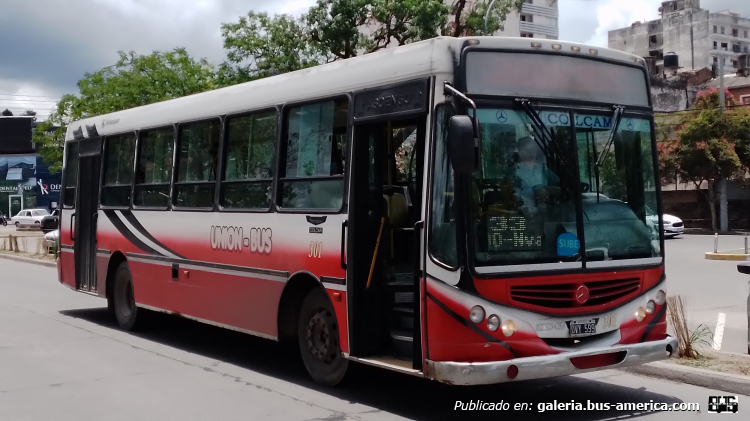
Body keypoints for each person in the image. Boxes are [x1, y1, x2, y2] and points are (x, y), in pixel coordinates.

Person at [514, 136, 559, 215]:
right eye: (528, 149)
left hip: (546, 213)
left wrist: (547, 192)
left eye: (534, 149)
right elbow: (513, 195)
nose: (532, 152)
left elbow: (560, 187)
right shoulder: (515, 172)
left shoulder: (544, 170)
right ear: (520, 152)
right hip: (524, 215)